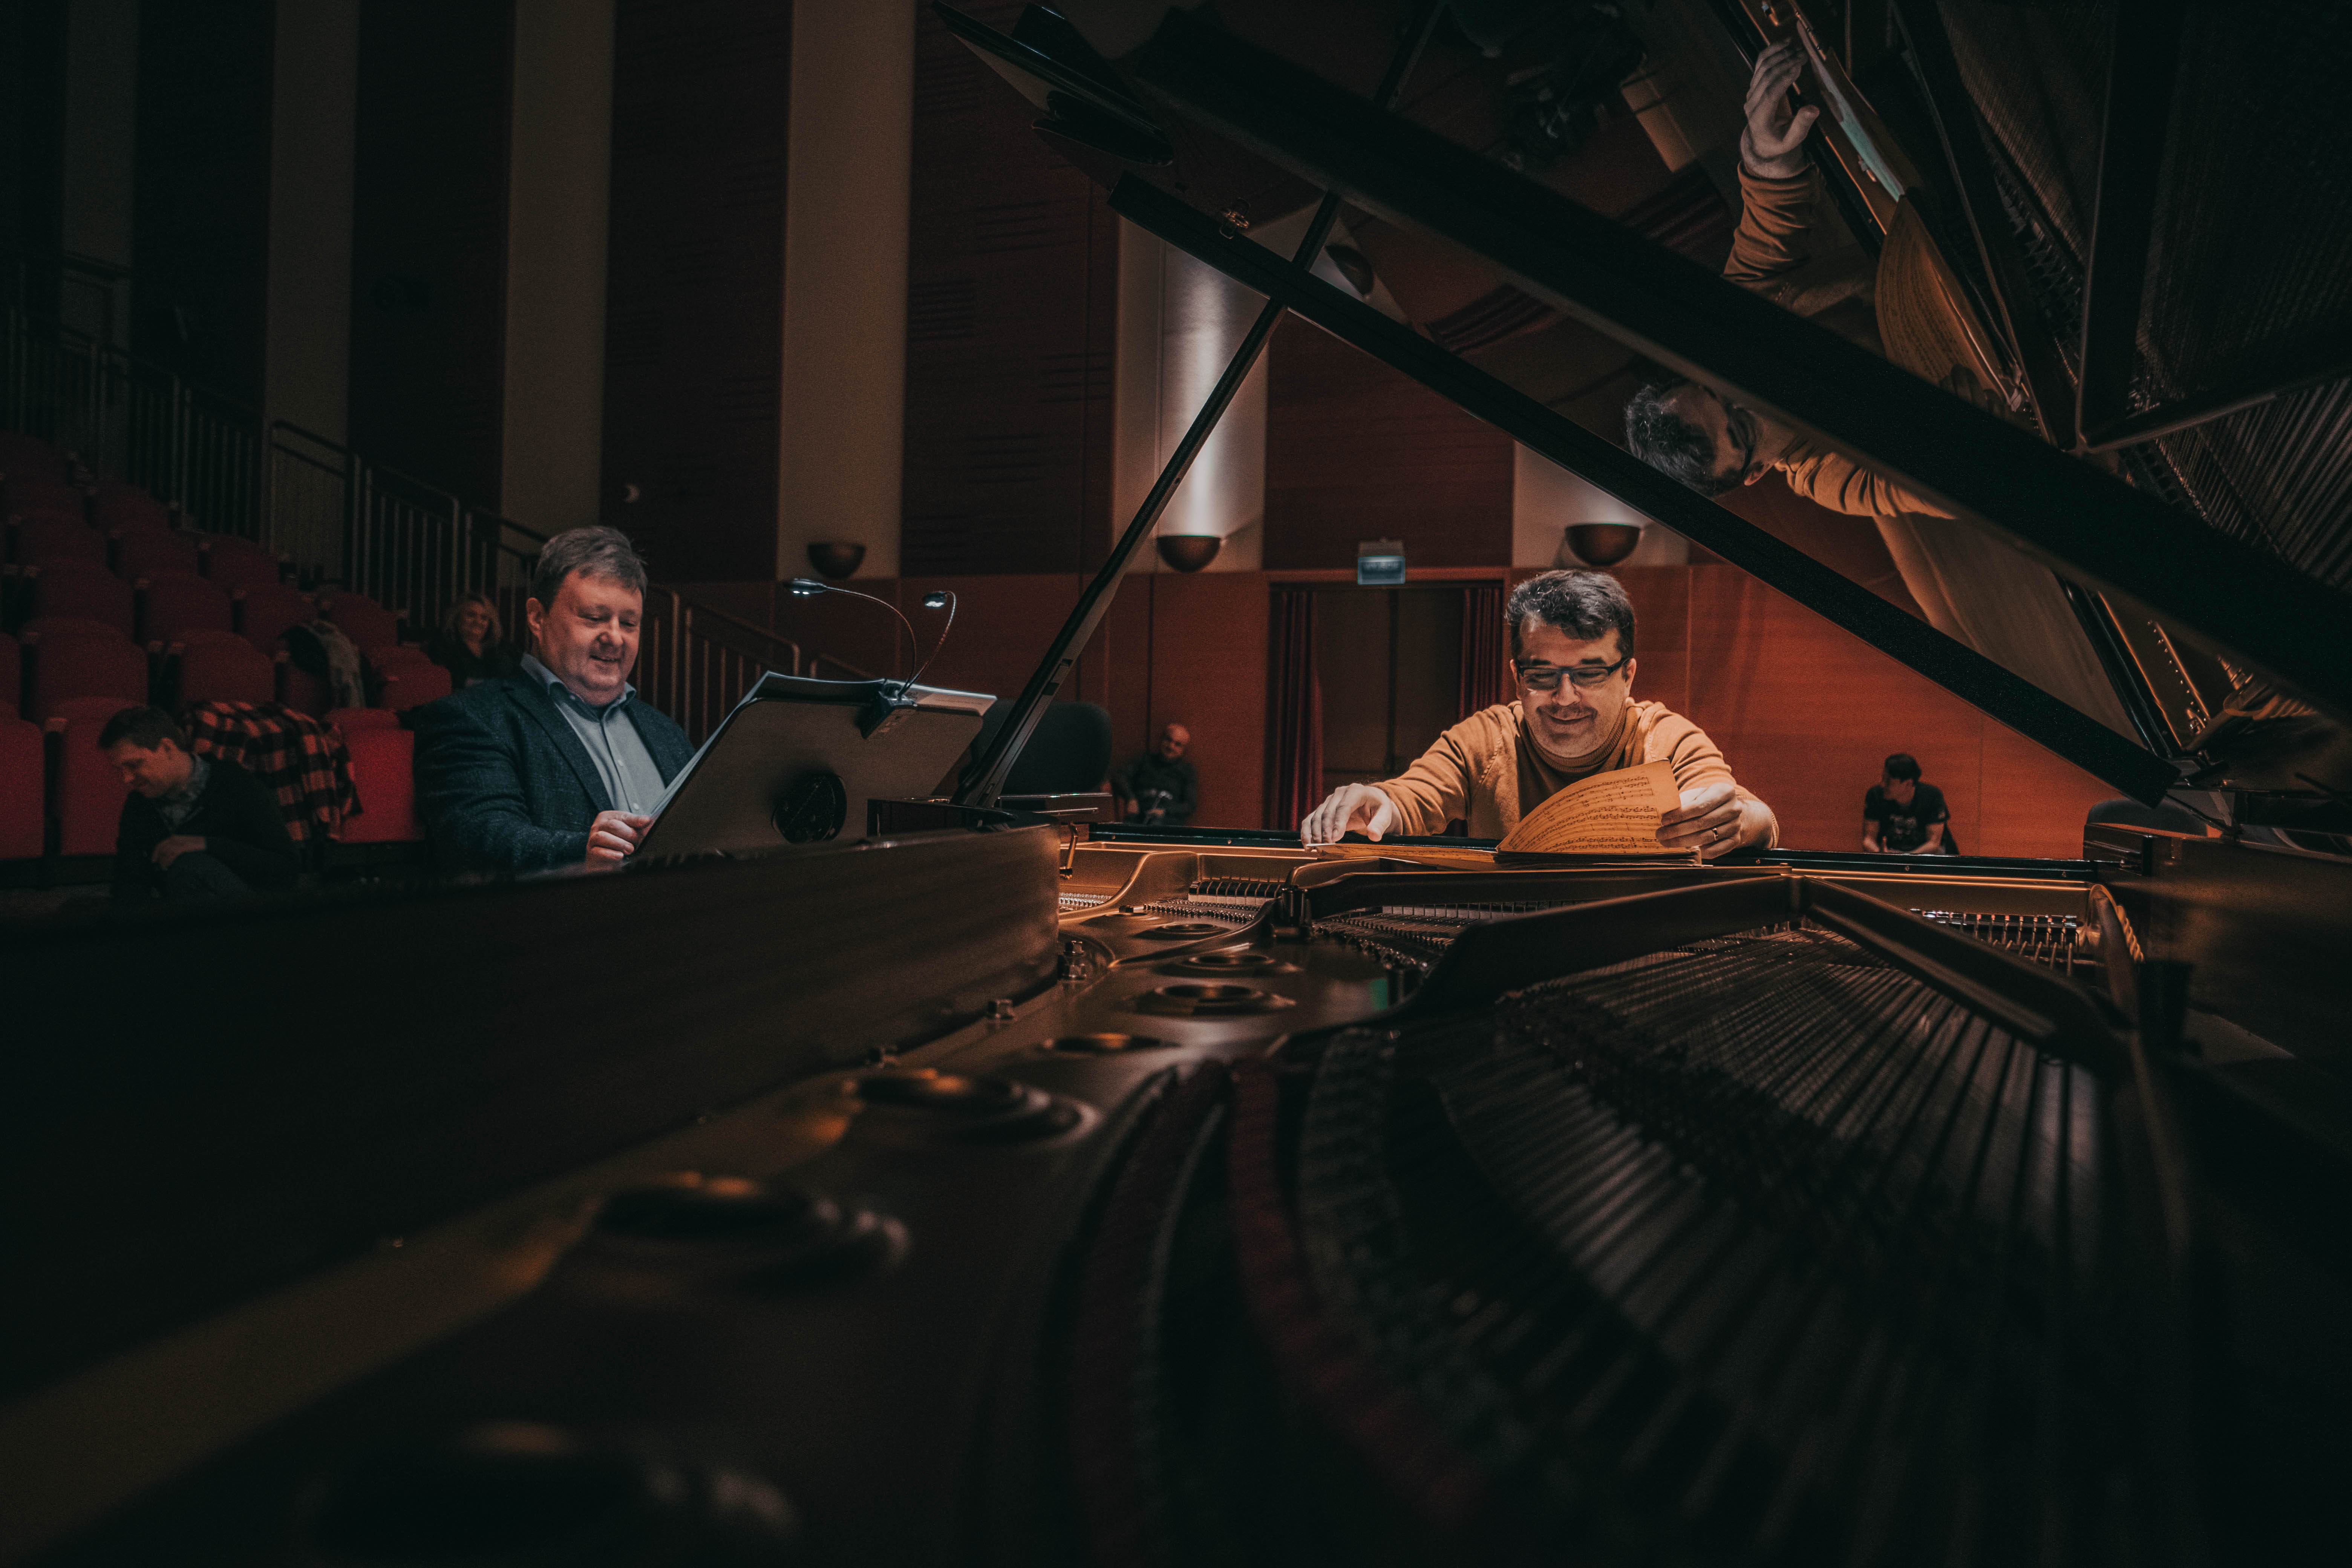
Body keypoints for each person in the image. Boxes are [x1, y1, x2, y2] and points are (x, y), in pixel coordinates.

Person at [1623, 38, 1994, 520]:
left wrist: (1765, 152)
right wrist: (1962, 453)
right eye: (1742, 425)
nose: (1752, 387)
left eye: (1720, 382)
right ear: (1757, 470)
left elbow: (1769, 214)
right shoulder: (1830, 478)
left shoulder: (1740, 322)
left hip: (1964, 234)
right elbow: (1938, 488)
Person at [1298, 571, 1777, 857]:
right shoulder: (1486, 739)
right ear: (1515, 673)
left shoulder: (1667, 740)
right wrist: (1373, 801)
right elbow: (1411, 795)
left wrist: (1740, 820)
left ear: (1628, 675)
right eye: (1542, 674)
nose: (1565, 697)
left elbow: (1745, 810)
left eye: (1589, 673)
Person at [415, 526, 692, 874]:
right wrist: (583, 854)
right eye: (594, 618)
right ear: (537, 618)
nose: (615, 638)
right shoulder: (472, 719)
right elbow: (479, 838)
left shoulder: (668, 733)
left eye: (630, 623)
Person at [101, 706, 300, 902]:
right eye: (120, 770)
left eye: (134, 765)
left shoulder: (236, 786)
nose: (126, 779)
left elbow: (286, 869)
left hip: (252, 917)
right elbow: (128, 883)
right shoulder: (139, 804)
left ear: (167, 748)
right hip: (186, 917)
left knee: (190, 867)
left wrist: (205, 845)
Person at [1862, 752, 1955, 855]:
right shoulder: (1875, 795)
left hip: (1925, 860)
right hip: (1890, 858)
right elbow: (1868, 840)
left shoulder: (1932, 796)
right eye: (1883, 778)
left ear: (1908, 784)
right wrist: (1881, 853)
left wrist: (1906, 858)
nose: (1882, 785)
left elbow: (1934, 844)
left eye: (1889, 782)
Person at [426, 592, 523, 688]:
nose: (478, 622)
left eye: (484, 618)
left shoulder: (502, 647)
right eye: (471, 615)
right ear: (457, 618)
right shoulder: (442, 646)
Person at [1111, 723, 1197, 825]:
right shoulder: (1145, 761)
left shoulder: (1187, 771)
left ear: (1183, 750)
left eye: (1177, 744)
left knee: (1157, 824)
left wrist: (1165, 812)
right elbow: (1120, 776)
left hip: (1168, 819)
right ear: (1162, 740)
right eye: (1168, 740)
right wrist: (1131, 798)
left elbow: (1189, 805)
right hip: (1140, 813)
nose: (1171, 746)